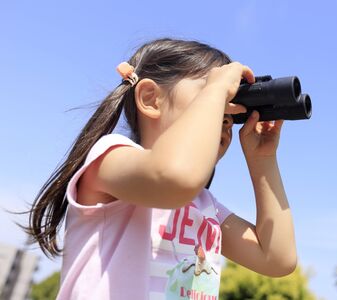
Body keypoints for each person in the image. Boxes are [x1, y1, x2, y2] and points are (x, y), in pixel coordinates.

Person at [24, 38, 297, 299]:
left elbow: (276, 258)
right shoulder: (109, 158)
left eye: (228, 116)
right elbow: (172, 177)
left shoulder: (204, 206)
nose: (223, 120)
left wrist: (263, 159)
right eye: (213, 101)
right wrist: (216, 90)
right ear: (151, 99)